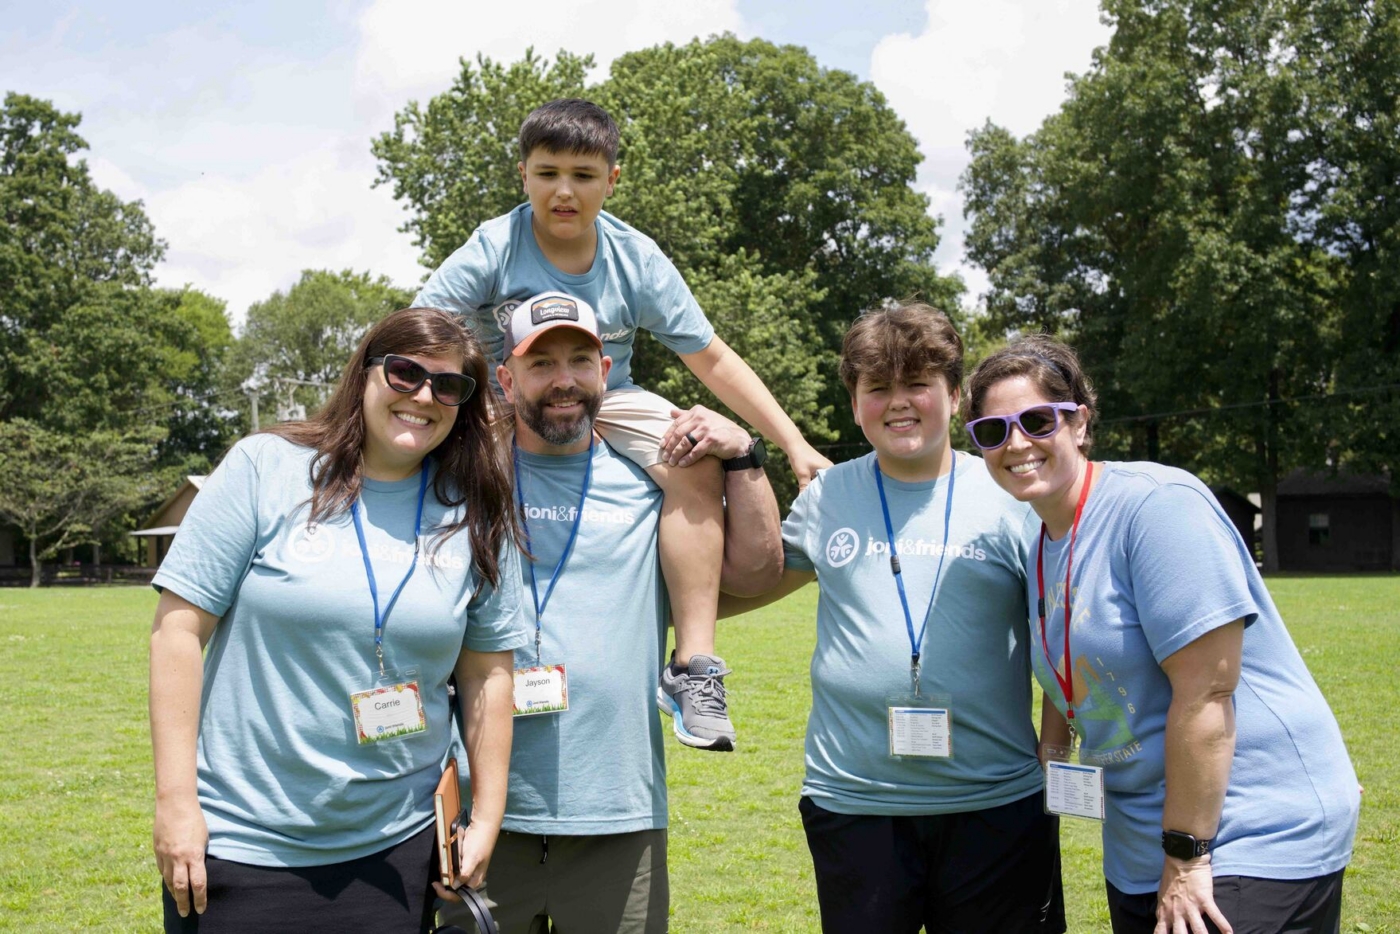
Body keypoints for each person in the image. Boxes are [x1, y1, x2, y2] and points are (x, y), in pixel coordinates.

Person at [413, 98, 832, 750]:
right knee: (437, 462)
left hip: (608, 395)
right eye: (547, 172)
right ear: (522, 175)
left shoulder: (635, 258)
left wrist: (796, 446)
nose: (563, 190)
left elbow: (712, 357)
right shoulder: (495, 246)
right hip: (505, 393)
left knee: (691, 452)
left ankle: (693, 666)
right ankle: (441, 641)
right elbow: (417, 333)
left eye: (583, 174)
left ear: (612, 181)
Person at [964, 335, 1361, 934]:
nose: (1016, 443)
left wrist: (1187, 853)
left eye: (1037, 420)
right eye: (994, 431)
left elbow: (1209, 693)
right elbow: (1065, 664)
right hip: (1139, 845)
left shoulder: (1156, 507)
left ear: (1079, 424)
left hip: (1249, 830)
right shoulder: (1039, 540)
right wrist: (1052, 762)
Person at [149, 307, 527, 933]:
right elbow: (177, 633)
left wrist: (486, 815)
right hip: (243, 846)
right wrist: (176, 803)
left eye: (447, 386)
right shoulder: (264, 468)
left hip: (398, 853)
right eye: (405, 373)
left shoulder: (476, 511)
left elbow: (490, 675)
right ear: (365, 373)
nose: (423, 396)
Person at [438, 290, 783, 934]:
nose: (563, 381)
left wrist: (744, 453)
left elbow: (758, 570)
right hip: (479, 815)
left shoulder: (658, 482)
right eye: (541, 365)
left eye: (579, 360)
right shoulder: (462, 478)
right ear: (507, 381)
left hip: (617, 815)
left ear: (605, 372)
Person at [717, 304, 1065, 934]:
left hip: (995, 805)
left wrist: (1056, 742)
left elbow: (1064, 635)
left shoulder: (1013, 497)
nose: (898, 403)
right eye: (878, 388)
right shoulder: (827, 496)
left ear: (955, 397)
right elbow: (753, 583)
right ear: (855, 404)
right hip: (855, 805)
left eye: (918, 385)